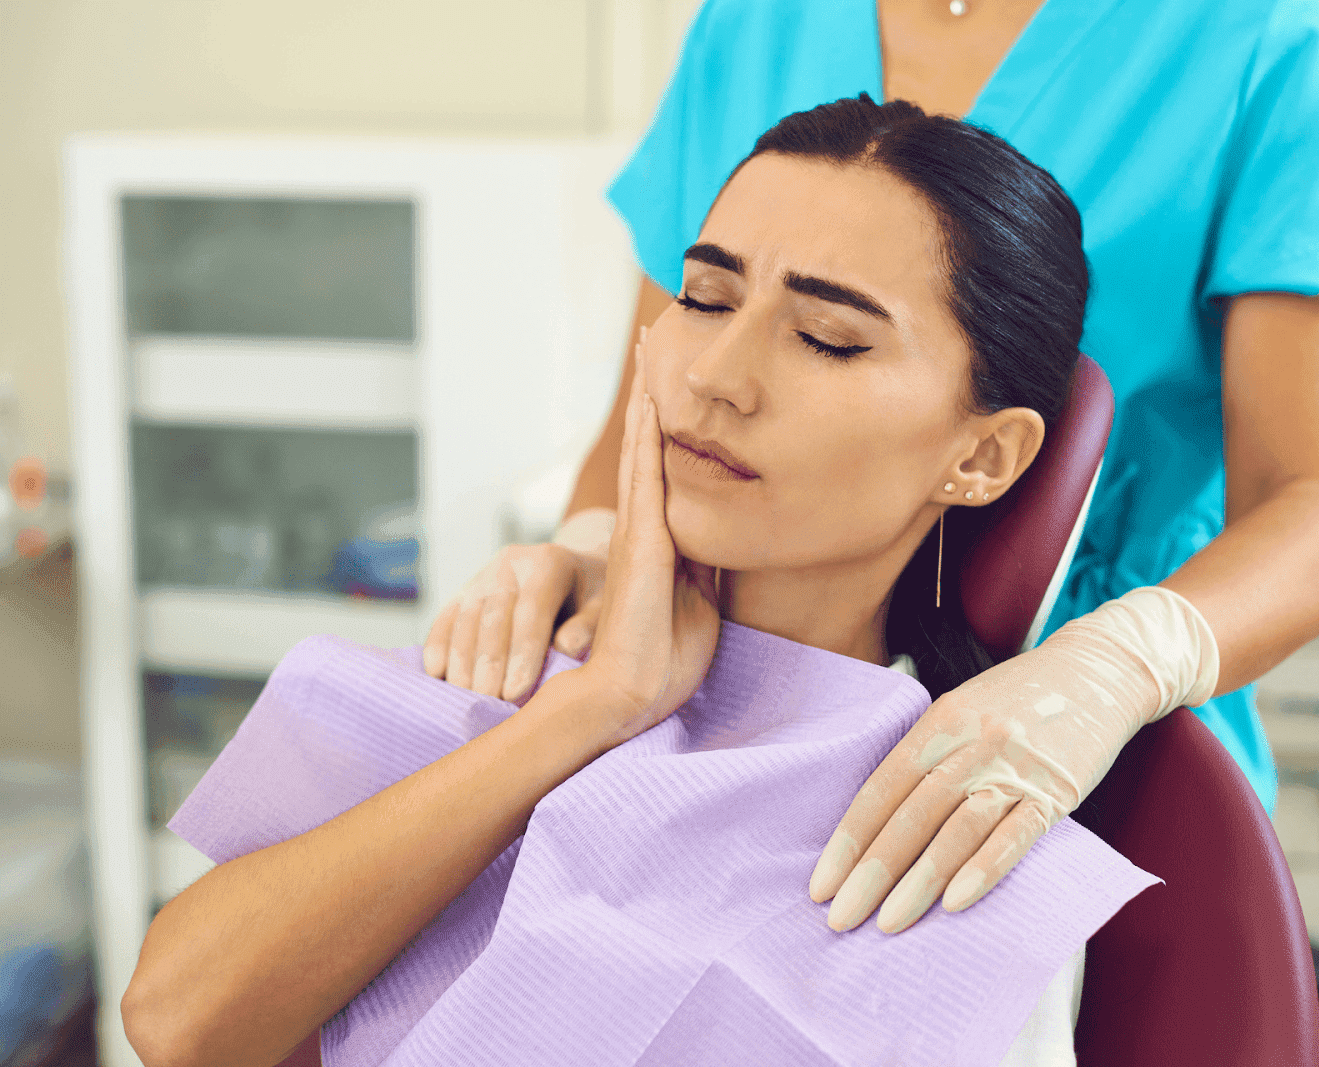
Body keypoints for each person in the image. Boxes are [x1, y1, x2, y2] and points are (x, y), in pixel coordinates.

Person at [125, 97, 1166, 1067]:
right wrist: (589, 709)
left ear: (981, 458)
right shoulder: (519, 647)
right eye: (705, 297)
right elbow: (179, 1017)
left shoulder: (960, 843)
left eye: (825, 337)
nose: (715, 373)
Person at [424, 0, 1319, 934]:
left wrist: (1106, 670)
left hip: (1072, 754)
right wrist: (587, 549)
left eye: (831, 339)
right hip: (706, 699)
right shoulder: (753, 21)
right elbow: (651, 408)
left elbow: (1315, 502)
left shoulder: (1268, 40)